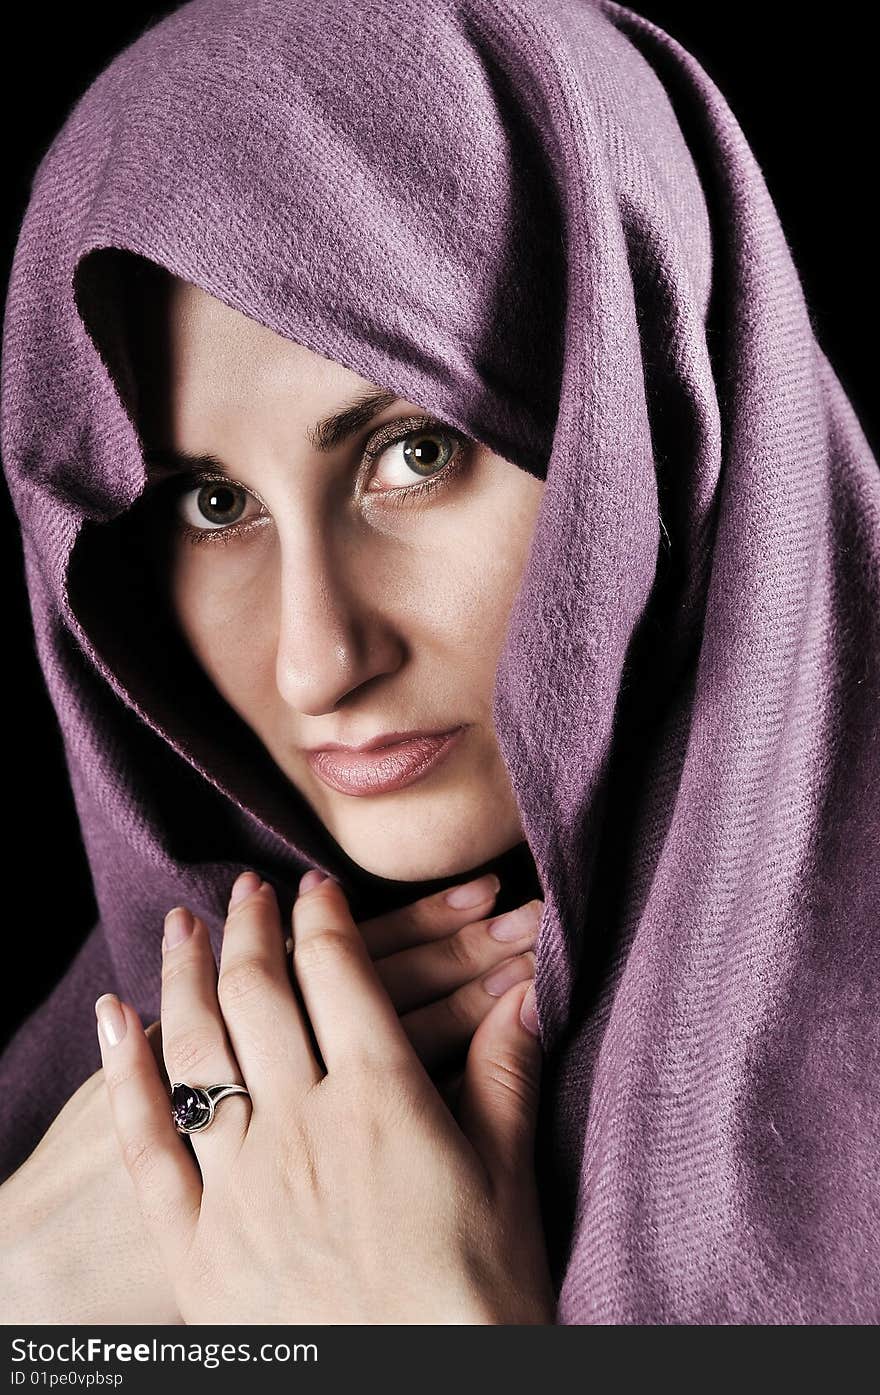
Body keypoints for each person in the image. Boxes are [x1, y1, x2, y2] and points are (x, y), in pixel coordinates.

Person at [1, 0, 878, 1325]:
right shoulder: (75, 1154)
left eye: (415, 452)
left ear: (658, 416)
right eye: (211, 504)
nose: (315, 662)